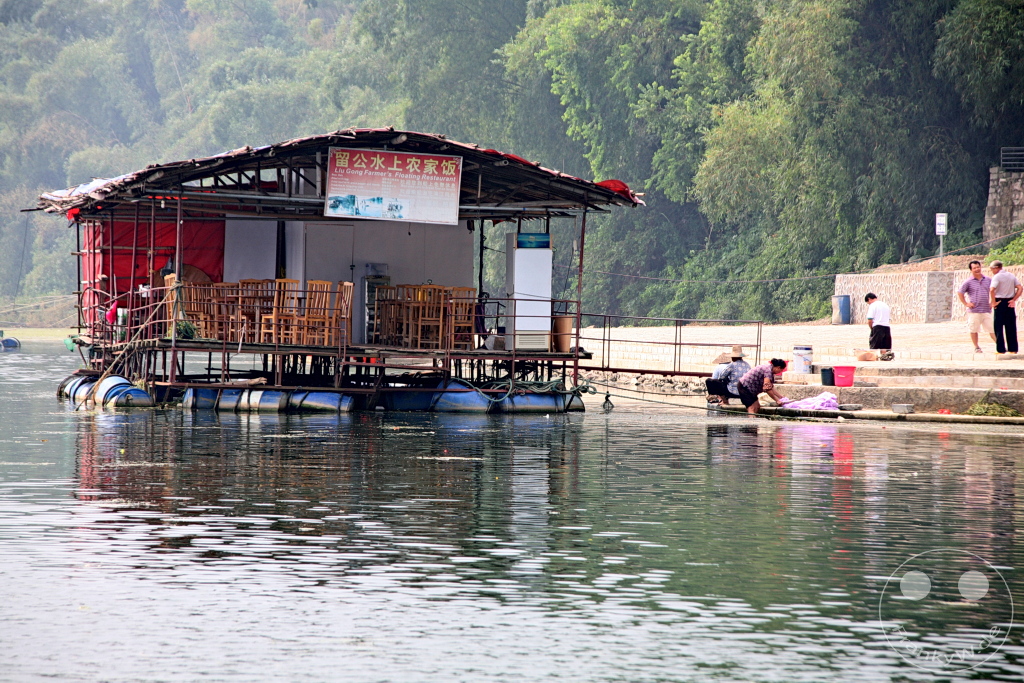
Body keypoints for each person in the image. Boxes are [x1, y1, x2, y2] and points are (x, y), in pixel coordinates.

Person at [957, 260, 995, 353]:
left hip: (986, 309)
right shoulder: (968, 282)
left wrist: (992, 302)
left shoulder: (988, 280)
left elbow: (994, 291)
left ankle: (1000, 346)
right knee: (974, 329)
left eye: (978, 267)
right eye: (974, 268)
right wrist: (966, 303)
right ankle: (976, 347)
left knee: (992, 329)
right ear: (971, 270)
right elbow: (960, 292)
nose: (977, 269)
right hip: (974, 310)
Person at [988, 260, 1022, 354]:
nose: (991, 271)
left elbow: (991, 290)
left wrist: (993, 302)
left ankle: (1001, 349)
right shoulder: (1011, 275)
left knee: (998, 327)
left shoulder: (997, 276)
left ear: (996, 268)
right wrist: (1014, 299)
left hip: (1000, 302)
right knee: (1011, 326)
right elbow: (1020, 288)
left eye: (991, 269)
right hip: (1009, 302)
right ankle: (1013, 349)